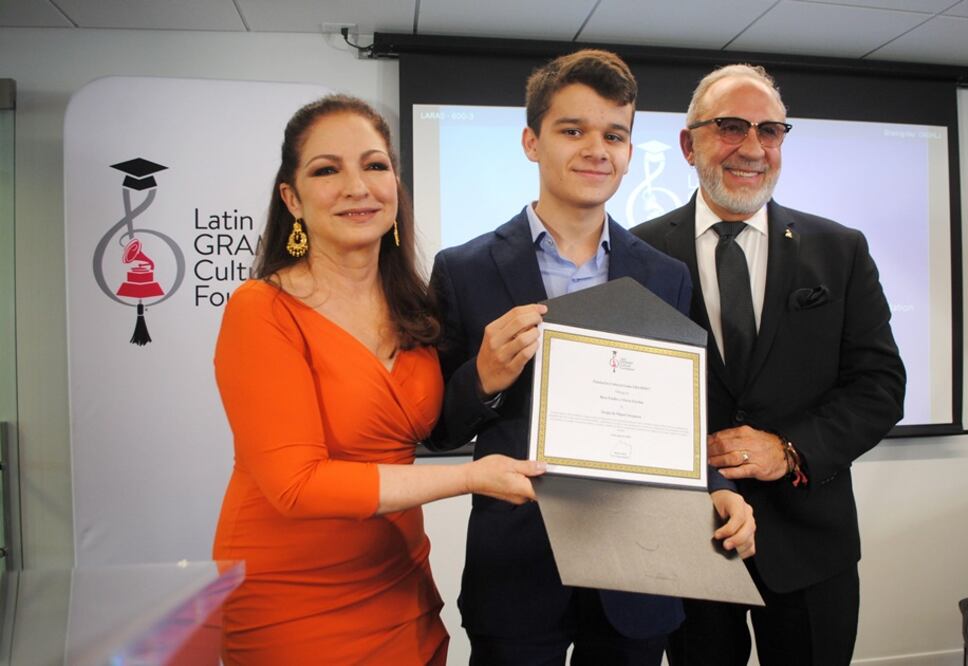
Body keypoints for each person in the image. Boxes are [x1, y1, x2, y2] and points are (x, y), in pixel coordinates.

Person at [427, 50, 756, 666]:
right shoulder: (463, 270)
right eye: (572, 130)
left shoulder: (664, 276)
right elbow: (439, 429)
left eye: (615, 135)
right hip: (518, 569)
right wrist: (486, 379)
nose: (596, 149)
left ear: (630, 151)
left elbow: (680, 423)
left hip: (638, 571)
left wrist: (717, 487)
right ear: (532, 141)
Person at [211, 94, 544, 666]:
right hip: (291, 599)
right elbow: (297, 486)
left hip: (401, 586)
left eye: (374, 164)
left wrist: (485, 377)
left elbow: (434, 431)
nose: (357, 186)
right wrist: (470, 478)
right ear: (291, 198)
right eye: (326, 170)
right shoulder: (261, 308)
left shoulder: (416, 309)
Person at [633, 64, 906, 665]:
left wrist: (788, 449)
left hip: (812, 546)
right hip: (690, 541)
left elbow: (881, 387)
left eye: (771, 131)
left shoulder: (840, 250)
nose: (753, 148)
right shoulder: (637, 254)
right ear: (688, 144)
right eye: (731, 127)